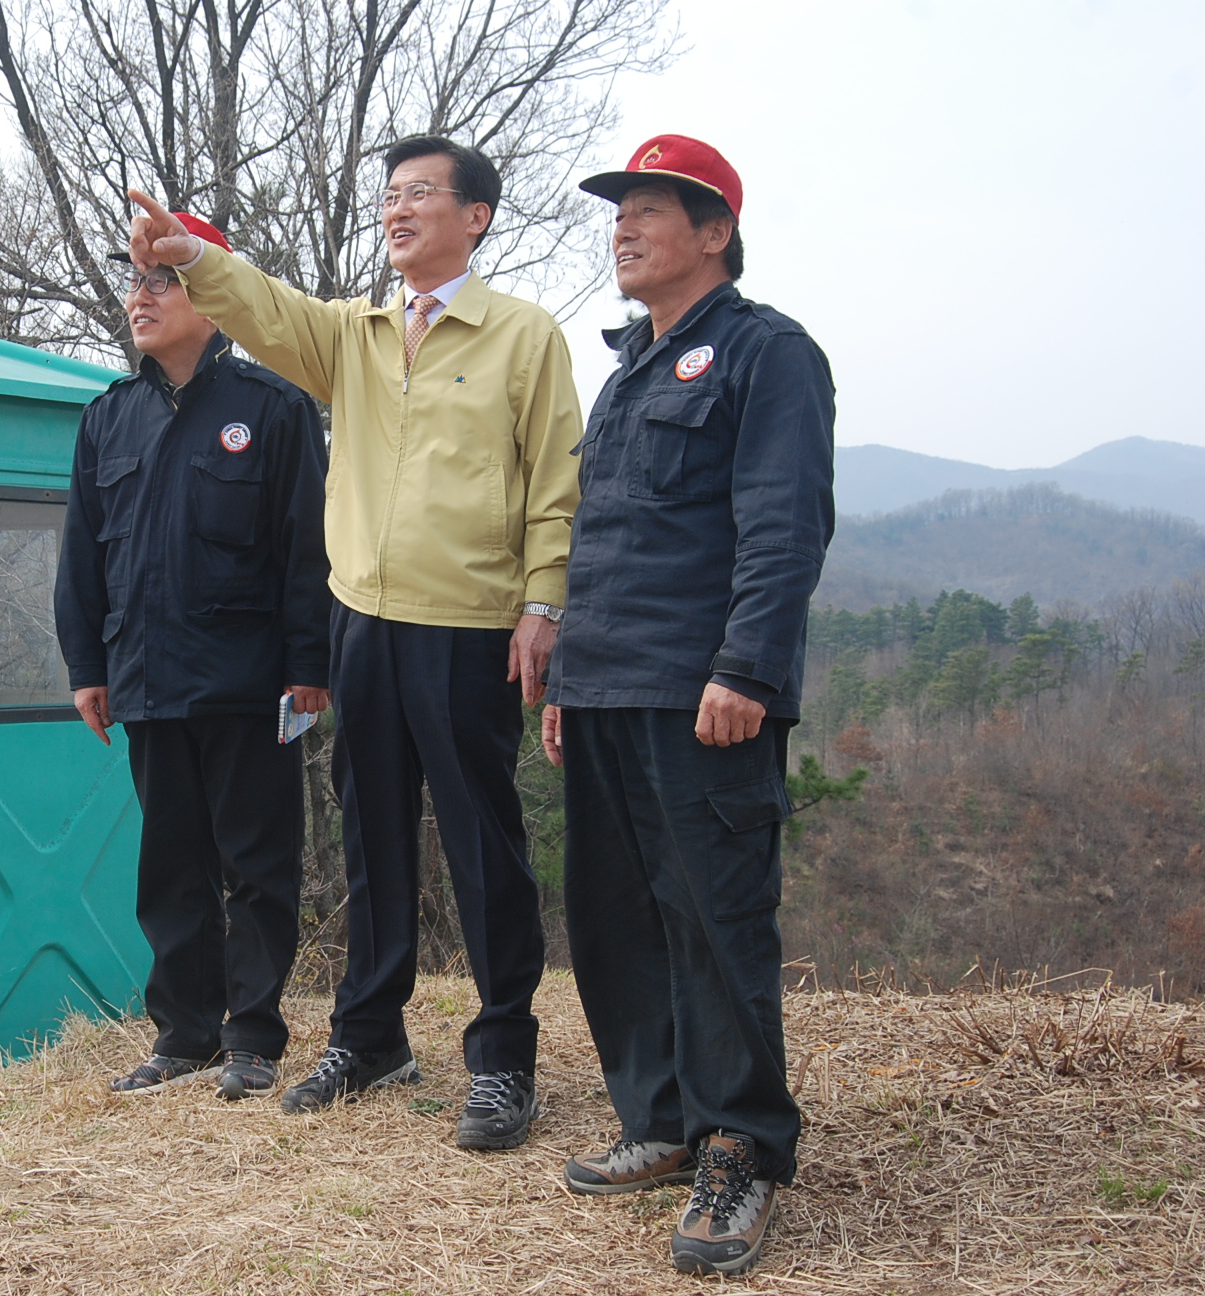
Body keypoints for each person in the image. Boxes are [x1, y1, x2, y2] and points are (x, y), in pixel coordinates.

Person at [128, 135, 581, 1150]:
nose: (396, 210)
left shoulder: (522, 336)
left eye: (421, 193)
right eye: (389, 196)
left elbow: (558, 486)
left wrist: (543, 603)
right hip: (362, 626)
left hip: (468, 627)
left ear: (476, 217)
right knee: (371, 842)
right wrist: (189, 255)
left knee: (480, 847)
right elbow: (263, 308)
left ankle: (503, 1057)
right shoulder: (355, 334)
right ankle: (368, 1035)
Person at [539, 135, 834, 1276]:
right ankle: (658, 1120)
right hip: (606, 691)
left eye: (648, 210)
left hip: (701, 694)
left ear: (714, 233)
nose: (622, 228)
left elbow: (783, 523)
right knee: (617, 925)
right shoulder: (625, 374)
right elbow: (598, 547)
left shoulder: (767, 355)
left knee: (717, 925)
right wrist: (567, 679)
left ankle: (742, 1149)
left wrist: (748, 670)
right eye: (617, 212)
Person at [55, 212, 332, 1102]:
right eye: (134, 279)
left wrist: (309, 666)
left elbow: (305, 550)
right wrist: (85, 667)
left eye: (163, 279)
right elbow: (83, 554)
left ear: (211, 292)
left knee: (258, 865)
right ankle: (184, 1035)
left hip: (251, 685)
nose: (141, 295)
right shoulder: (109, 418)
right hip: (146, 680)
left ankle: (252, 1037)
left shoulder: (274, 408)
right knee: (169, 866)